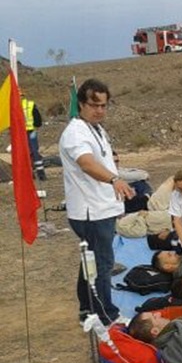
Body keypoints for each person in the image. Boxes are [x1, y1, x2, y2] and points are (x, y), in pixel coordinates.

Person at [60, 78, 135, 325]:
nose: (100, 110)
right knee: (102, 264)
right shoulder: (75, 133)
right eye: (94, 105)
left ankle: (87, 309)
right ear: (81, 104)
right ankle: (106, 315)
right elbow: (86, 163)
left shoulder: (96, 128)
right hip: (91, 212)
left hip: (102, 207)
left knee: (90, 261)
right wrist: (114, 179)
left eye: (103, 105)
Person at [21, 91, 46, 181]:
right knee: (34, 152)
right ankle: (40, 174)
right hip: (30, 131)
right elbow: (38, 120)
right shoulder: (30, 104)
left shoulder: (13, 106)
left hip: (22, 132)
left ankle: (31, 174)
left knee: (26, 152)